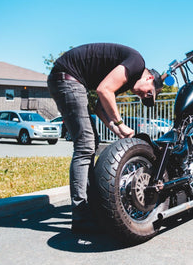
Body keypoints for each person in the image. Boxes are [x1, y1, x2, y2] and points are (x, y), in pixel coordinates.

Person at [47, 43, 164, 233]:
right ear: (149, 77)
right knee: (85, 146)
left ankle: (90, 206)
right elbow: (104, 91)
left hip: (70, 80)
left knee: (91, 142)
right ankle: (81, 215)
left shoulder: (127, 80)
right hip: (68, 78)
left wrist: (115, 128)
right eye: (148, 92)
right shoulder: (137, 62)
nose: (143, 96)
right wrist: (120, 123)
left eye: (146, 98)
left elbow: (99, 108)